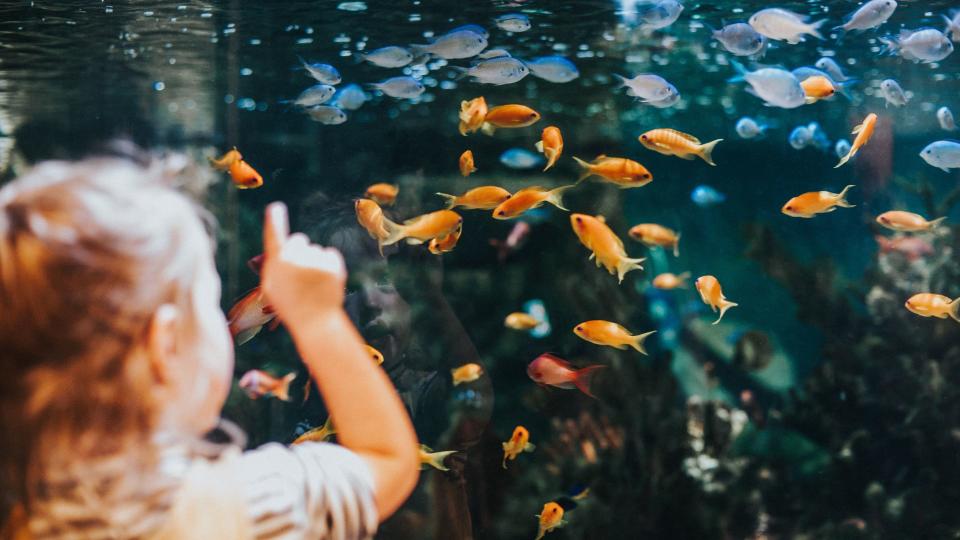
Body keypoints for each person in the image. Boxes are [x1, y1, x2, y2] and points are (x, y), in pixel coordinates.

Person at [0, 155, 419, 538]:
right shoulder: (234, 506)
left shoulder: (22, 516)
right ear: (166, 348)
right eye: (208, 301)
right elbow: (387, 460)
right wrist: (318, 318)